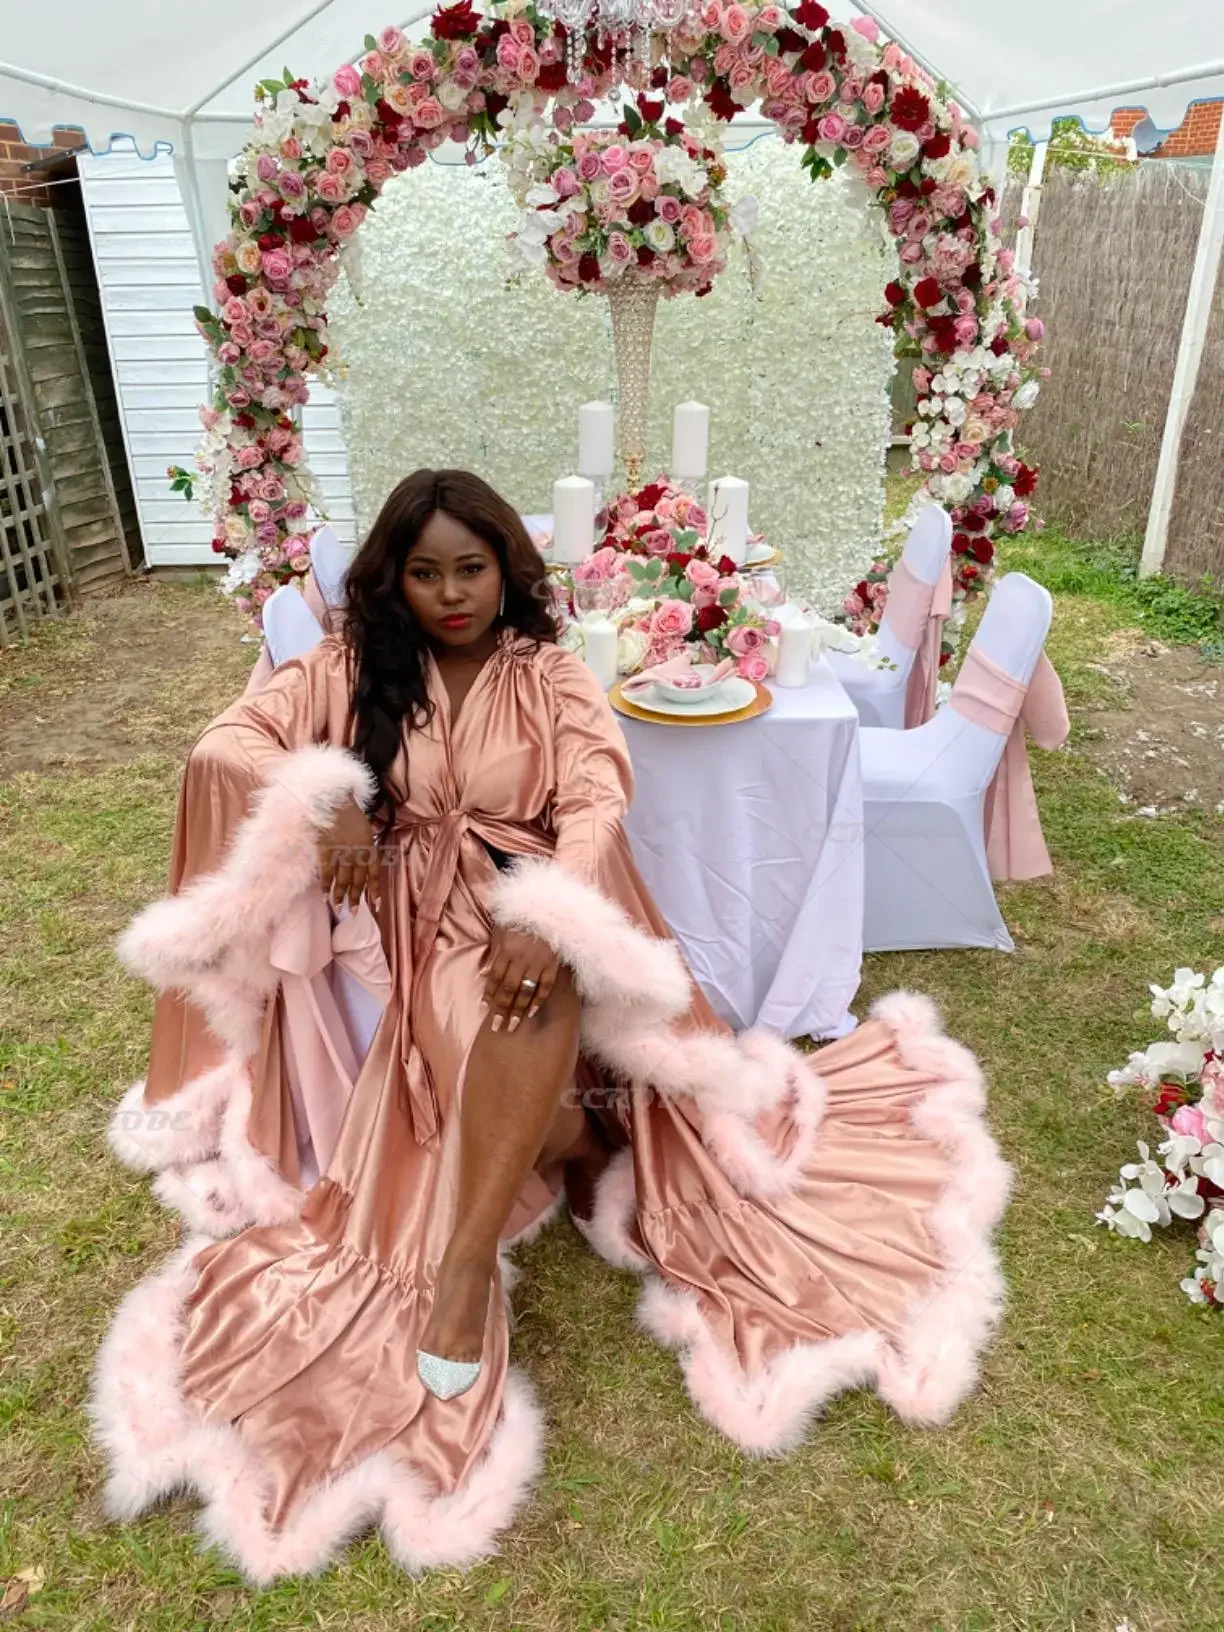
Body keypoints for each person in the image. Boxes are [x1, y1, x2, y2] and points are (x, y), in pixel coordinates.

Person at [91, 470, 1013, 1583]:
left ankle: (466, 1264)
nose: (449, 593)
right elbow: (229, 742)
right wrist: (322, 791)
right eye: (424, 572)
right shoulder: (353, 667)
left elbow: (598, 791)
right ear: (394, 577)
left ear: (506, 569)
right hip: (404, 916)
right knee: (489, 996)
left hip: (525, 895)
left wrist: (555, 910)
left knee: (540, 978)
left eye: (469, 568)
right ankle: (569, 1145)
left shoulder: (548, 674)